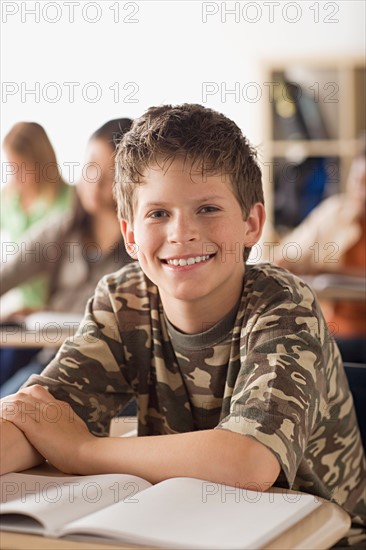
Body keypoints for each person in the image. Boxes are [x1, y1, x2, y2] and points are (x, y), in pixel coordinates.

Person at [1, 105, 365, 547]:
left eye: (207, 208)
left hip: (316, 537)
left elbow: (249, 464)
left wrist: (80, 450)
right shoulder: (122, 300)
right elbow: (38, 415)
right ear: (130, 236)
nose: (182, 233)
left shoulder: (285, 305)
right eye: (157, 214)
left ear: (251, 223)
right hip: (184, 529)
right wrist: (37, 429)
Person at [0, 118, 133, 390]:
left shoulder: (143, 243)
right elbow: (9, 273)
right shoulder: (62, 228)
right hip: (52, 357)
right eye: (91, 168)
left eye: (110, 175)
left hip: (109, 374)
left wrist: (50, 313)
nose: (95, 182)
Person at [273, 138, 366, 364]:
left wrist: (327, 271)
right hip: (331, 330)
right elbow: (281, 259)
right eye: (357, 181)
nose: (360, 192)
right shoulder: (335, 212)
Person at [1, 122, 73, 312]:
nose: (15, 177)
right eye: (11, 167)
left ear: (42, 163)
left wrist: (41, 309)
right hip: (23, 311)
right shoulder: (7, 199)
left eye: (22, 168)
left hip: (60, 309)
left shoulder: (72, 202)